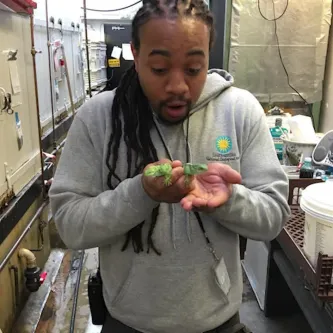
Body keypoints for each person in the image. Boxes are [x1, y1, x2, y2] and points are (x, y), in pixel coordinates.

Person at [49, 1, 290, 332]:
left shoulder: (239, 111)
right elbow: (69, 225)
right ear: (135, 52)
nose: (177, 86)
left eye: (193, 69)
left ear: (208, 54)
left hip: (219, 323)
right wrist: (139, 193)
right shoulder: (99, 118)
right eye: (160, 69)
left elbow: (274, 217)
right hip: (128, 323)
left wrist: (231, 199)